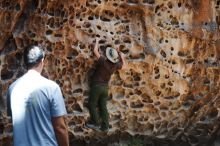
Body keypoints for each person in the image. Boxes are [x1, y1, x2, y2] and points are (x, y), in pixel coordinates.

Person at [7, 45, 69, 146]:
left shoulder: (12, 88)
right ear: (42, 61)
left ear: (26, 62)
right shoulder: (52, 87)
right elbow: (59, 128)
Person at [86, 39, 126, 131]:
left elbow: (95, 51)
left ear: (107, 56)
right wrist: (120, 55)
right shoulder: (115, 65)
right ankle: (105, 126)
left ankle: (95, 123)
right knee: (103, 106)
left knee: (92, 104)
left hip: (96, 86)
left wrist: (96, 41)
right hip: (105, 88)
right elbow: (124, 67)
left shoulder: (103, 61)